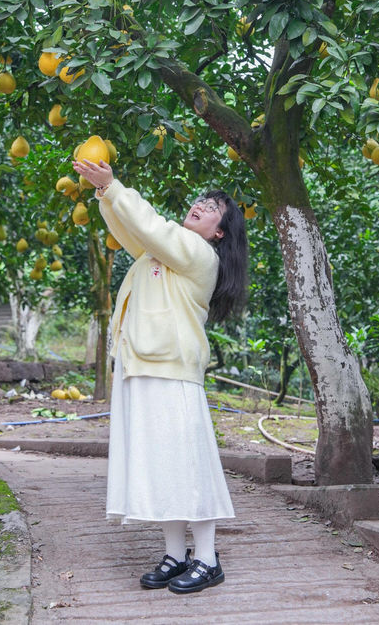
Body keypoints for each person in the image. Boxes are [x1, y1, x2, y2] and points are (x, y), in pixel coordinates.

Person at [72, 157, 248, 594]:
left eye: (212, 208)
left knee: (188, 466)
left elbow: (149, 226)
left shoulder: (198, 254)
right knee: (161, 466)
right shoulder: (161, 254)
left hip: (171, 374)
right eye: (201, 200)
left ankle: (207, 559)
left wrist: (114, 187)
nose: (201, 206)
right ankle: (176, 553)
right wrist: (104, 195)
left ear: (218, 233)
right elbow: (132, 232)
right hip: (143, 369)